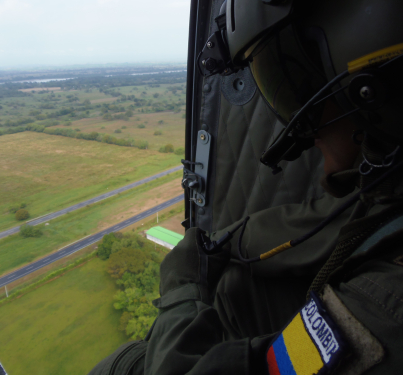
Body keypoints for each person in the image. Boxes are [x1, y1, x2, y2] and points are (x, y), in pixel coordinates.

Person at [89, 0, 403, 373]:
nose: (297, 125)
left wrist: (181, 288)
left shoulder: (387, 305)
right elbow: (350, 216)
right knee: (233, 290)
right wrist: (228, 240)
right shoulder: (390, 186)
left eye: (298, 86)